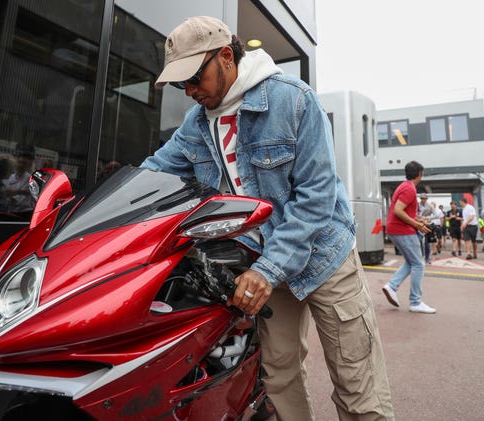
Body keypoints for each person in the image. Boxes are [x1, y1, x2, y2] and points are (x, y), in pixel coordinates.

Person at [140, 16, 393, 420]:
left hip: (324, 258)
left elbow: (317, 196)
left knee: (357, 385)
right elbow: (154, 174)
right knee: (278, 378)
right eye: (179, 85)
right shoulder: (196, 124)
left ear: (226, 56)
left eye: (193, 78)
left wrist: (269, 269)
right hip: (263, 263)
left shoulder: (292, 99)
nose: (189, 92)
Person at [382, 161, 436, 314]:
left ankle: (391, 286)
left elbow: (401, 211)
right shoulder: (410, 189)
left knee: (411, 262)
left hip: (396, 229)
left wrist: (419, 219)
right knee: (419, 264)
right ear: (420, 173)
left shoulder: (404, 186)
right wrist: (417, 225)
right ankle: (415, 302)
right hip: (402, 230)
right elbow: (399, 211)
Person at [2, 143, 36, 218]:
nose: (20, 164)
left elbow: (14, 201)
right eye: (19, 161)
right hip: (10, 213)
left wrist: (10, 193)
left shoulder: (31, 180)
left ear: (30, 163)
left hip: (24, 215)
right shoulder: (10, 177)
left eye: (24, 163)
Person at [417, 193, 434, 263]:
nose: (423, 200)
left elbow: (435, 215)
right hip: (419, 224)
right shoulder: (417, 205)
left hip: (427, 224)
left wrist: (427, 218)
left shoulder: (430, 206)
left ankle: (427, 258)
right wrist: (420, 218)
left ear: (426, 199)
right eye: (421, 198)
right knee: (419, 241)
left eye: (424, 198)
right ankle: (421, 257)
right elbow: (415, 214)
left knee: (427, 243)